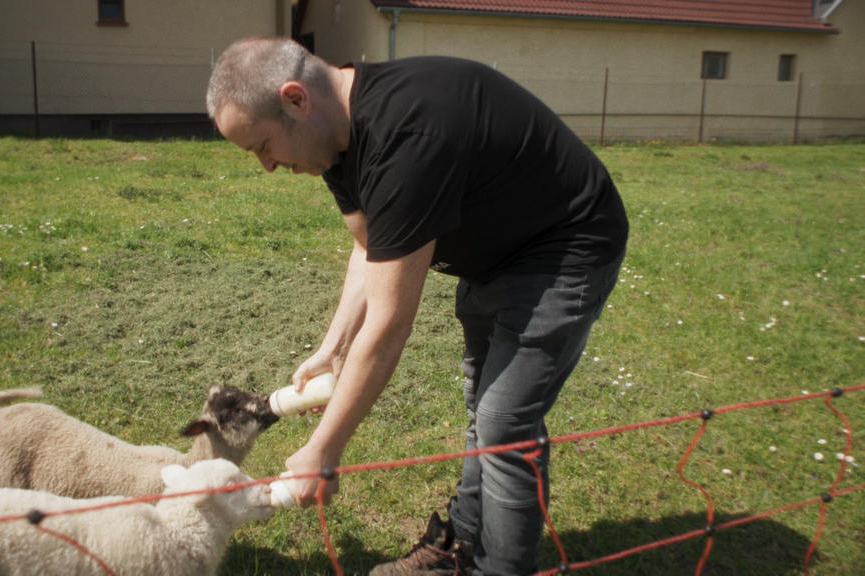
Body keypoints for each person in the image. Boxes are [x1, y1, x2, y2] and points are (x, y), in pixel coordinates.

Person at [206, 37, 628, 576]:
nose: (266, 165)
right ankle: (463, 547)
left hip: (566, 248)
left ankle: (501, 569)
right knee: (485, 414)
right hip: (492, 256)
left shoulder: (408, 134)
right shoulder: (335, 143)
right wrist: (332, 348)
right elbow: (370, 246)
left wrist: (323, 451)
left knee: (503, 424)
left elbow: (388, 323)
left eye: (261, 145)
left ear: (295, 99)